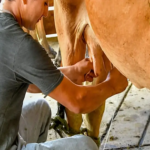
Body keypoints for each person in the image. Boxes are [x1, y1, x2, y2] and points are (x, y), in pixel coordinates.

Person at [0, 0, 128, 149]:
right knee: (86, 145)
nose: (47, 13)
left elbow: (28, 84)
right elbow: (78, 102)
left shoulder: (5, 29)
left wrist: (73, 71)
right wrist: (112, 85)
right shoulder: (22, 45)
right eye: (45, 3)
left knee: (41, 109)